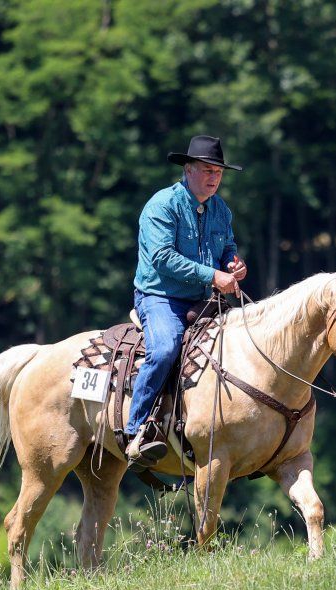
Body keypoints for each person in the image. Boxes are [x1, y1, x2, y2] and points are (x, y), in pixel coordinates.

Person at [125, 135, 248, 468]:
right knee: (165, 348)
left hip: (200, 300)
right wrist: (213, 277)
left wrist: (233, 265)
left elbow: (227, 250)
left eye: (218, 173)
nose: (214, 178)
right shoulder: (162, 205)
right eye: (207, 170)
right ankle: (135, 429)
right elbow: (163, 258)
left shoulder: (221, 210)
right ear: (189, 169)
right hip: (159, 297)